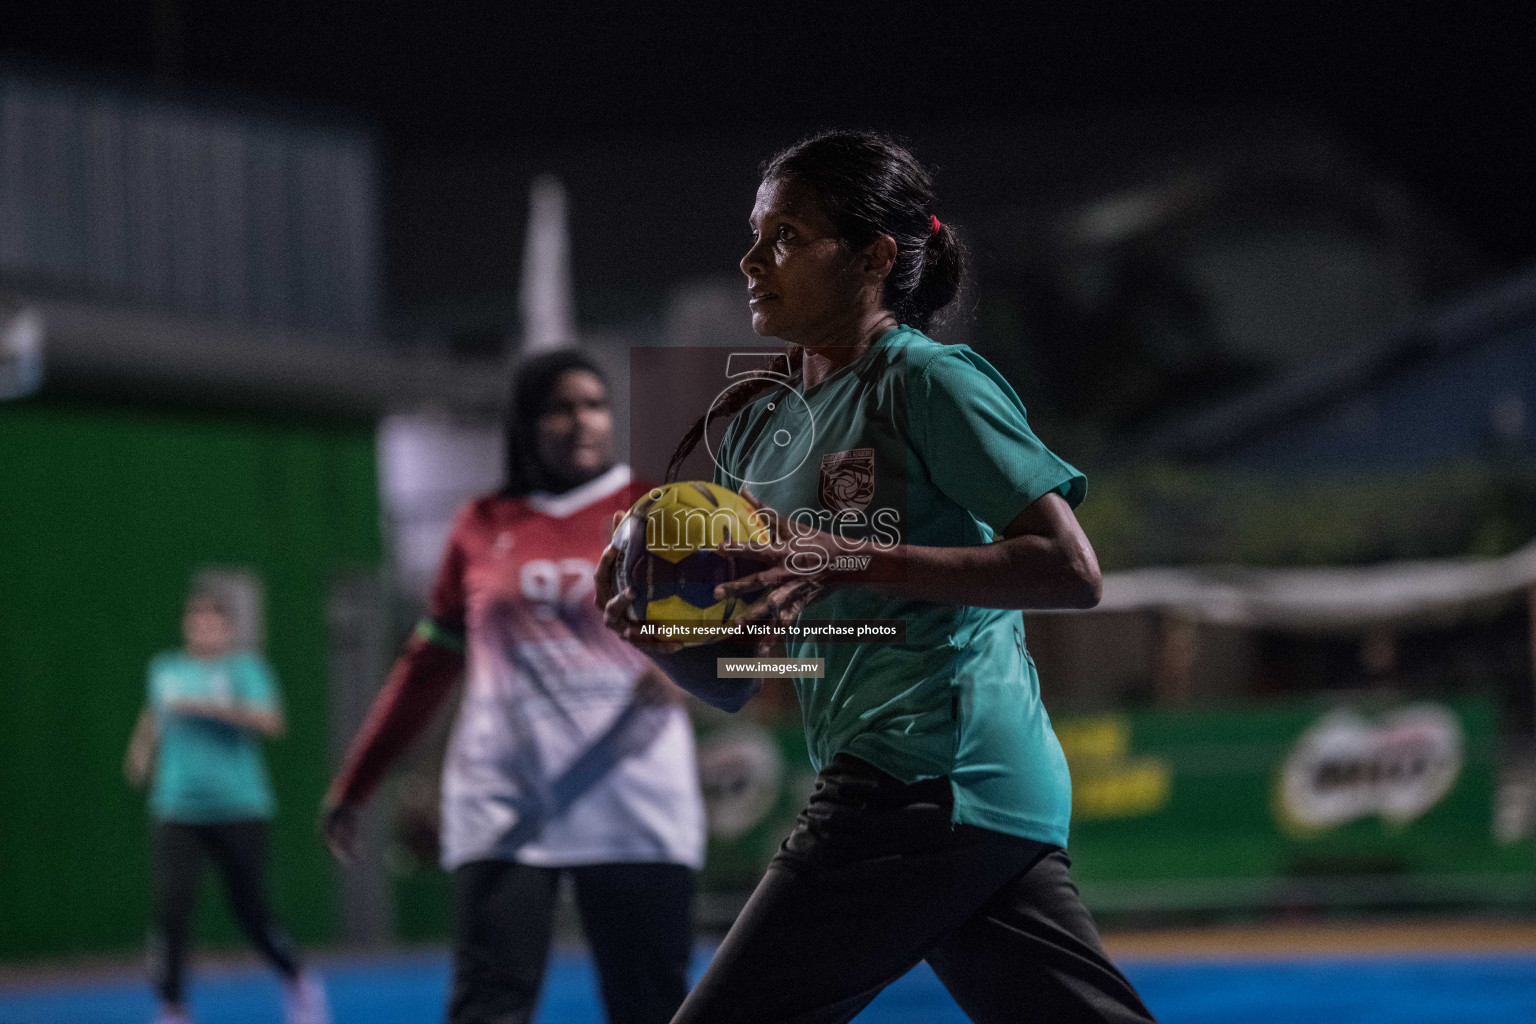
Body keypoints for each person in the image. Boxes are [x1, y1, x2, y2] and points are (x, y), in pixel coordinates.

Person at [597, 130, 1158, 1023]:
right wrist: (663, 637)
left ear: (873, 257)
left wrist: (843, 554)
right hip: (958, 794)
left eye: (784, 236)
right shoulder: (758, 428)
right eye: (753, 234)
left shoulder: (927, 383)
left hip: (926, 778)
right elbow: (752, 673)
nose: (750, 259)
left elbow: (1070, 570)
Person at [322, 350, 705, 1024]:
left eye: (594, 404)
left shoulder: (660, 510)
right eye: (562, 406)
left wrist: (688, 676)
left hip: (635, 800)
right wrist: (358, 782)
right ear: (526, 423)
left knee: (653, 1010)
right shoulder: (481, 523)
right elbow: (427, 665)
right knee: (487, 1009)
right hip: (504, 801)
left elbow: (749, 650)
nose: (582, 420)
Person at [124, 589, 330, 1024]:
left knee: (250, 908)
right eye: (196, 620)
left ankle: (297, 978)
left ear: (228, 629)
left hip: (240, 808)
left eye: (213, 622)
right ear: (186, 624)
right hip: (176, 809)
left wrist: (208, 707)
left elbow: (271, 721)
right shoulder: (165, 669)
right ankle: (173, 1008)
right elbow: (154, 714)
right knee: (171, 908)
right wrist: (141, 752)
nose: (204, 629)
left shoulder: (246, 671)